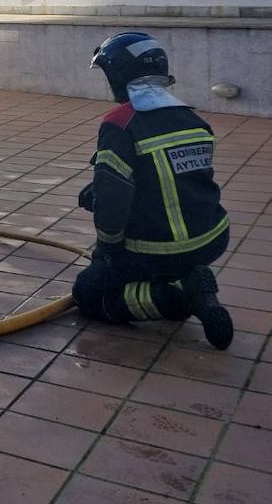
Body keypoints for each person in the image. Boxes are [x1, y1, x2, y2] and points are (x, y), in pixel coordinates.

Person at [73, 32, 234, 349]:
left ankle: (179, 295)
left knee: (88, 294)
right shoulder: (193, 119)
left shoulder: (120, 124)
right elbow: (167, 179)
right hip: (212, 237)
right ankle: (189, 282)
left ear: (119, 75)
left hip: (159, 249)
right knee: (139, 270)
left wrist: (107, 251)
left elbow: (114, 201)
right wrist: (97, 191)